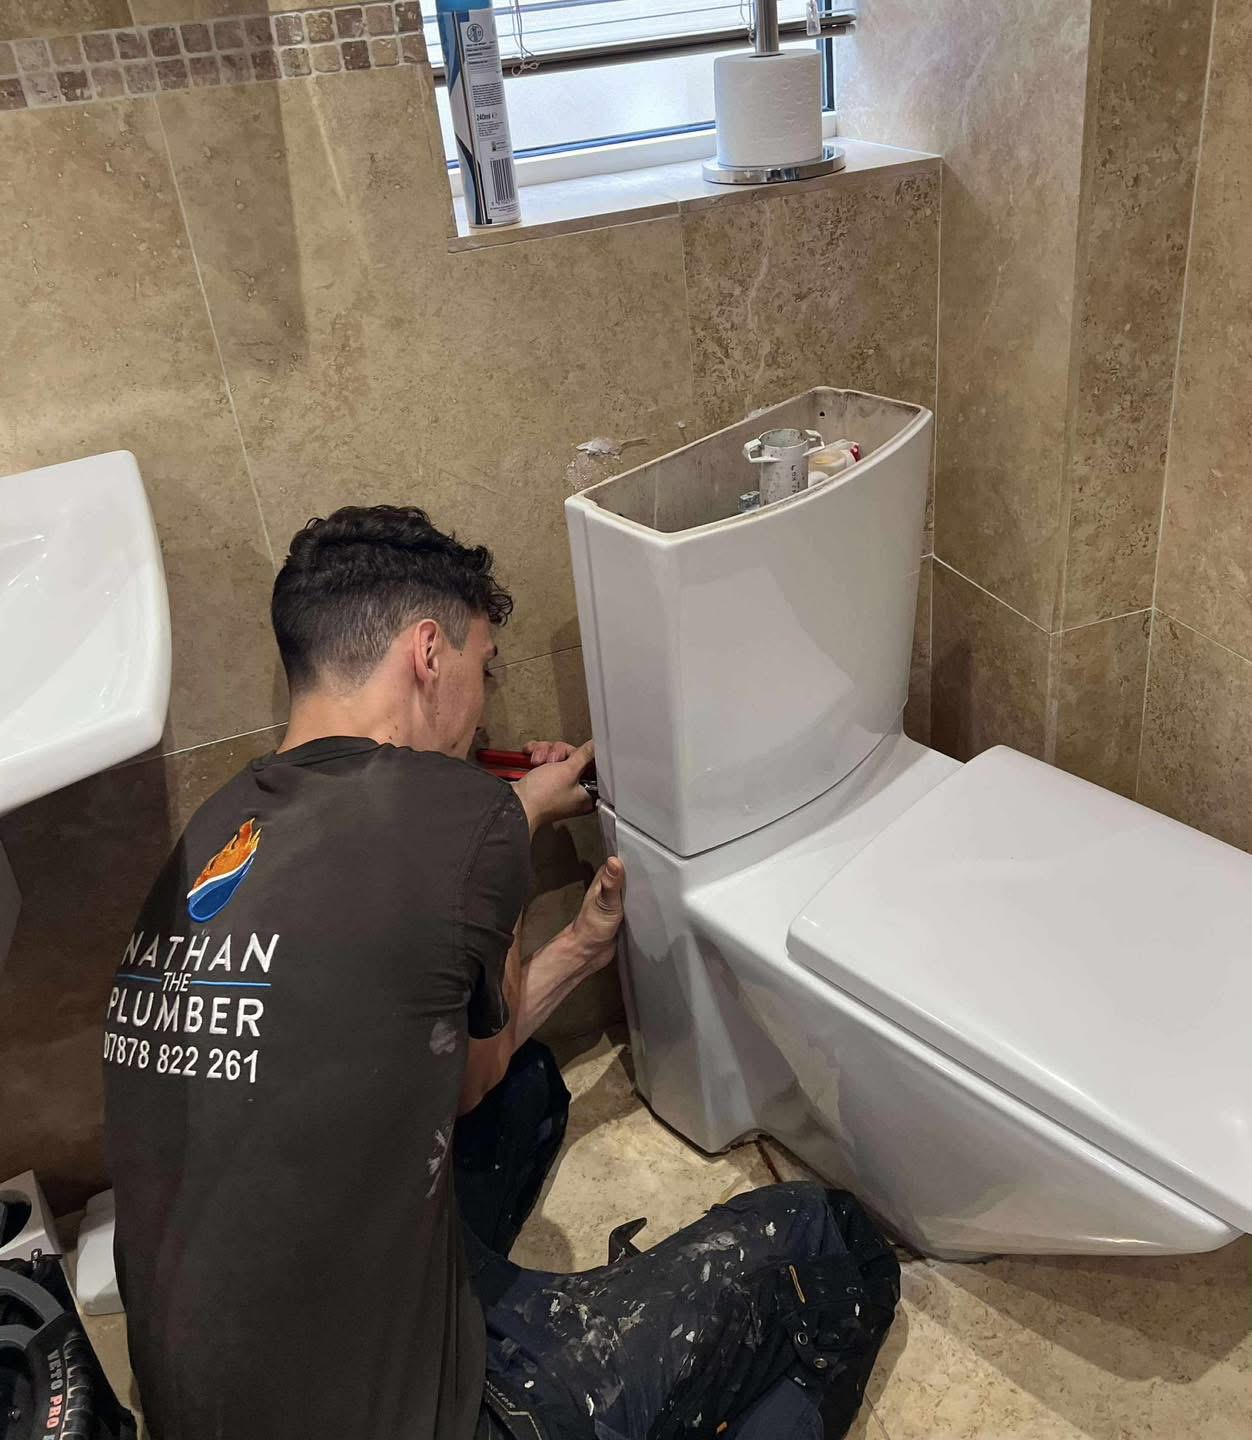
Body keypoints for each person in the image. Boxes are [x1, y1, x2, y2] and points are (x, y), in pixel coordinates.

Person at [103, 505, 899, 1440]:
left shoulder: (217, 830)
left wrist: (579, 947)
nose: (483, 709)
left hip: (217, 1398)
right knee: (832, 1251)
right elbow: (456, 908)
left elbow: (457, 1074)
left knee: (524, 1096)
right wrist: (505, 820)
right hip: (422, 1423)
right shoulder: (460, 817)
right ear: (427, 654)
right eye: (484, 669)